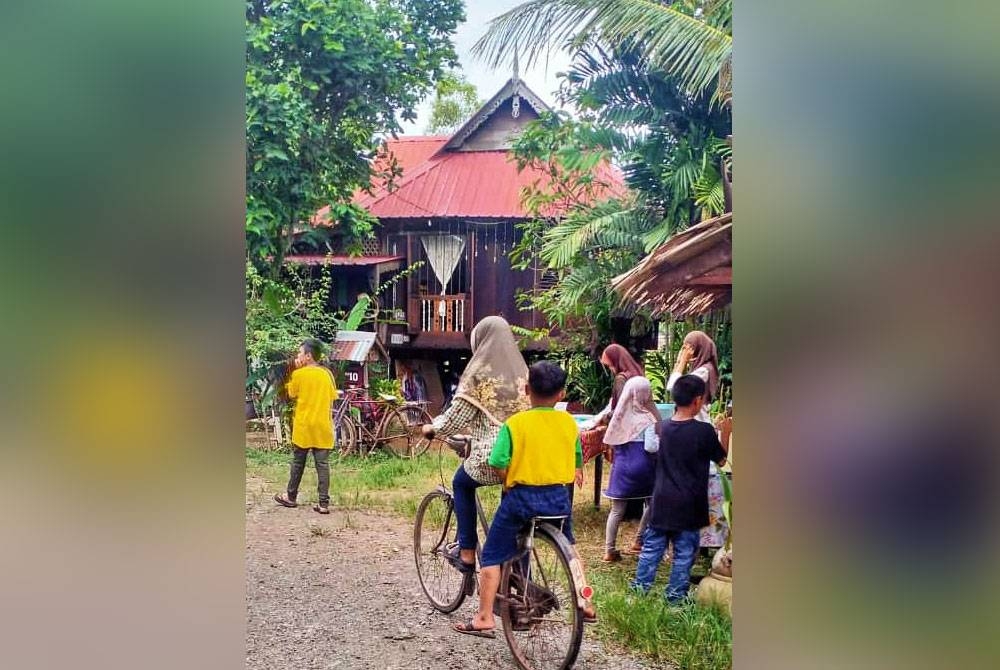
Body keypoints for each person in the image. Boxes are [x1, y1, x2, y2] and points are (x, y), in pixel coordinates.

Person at [453, 361, 594, 638]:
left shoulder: (515, 424)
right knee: (572, 549)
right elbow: (577, 459)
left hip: (521, 499)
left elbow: (497, 462)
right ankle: (586, 600)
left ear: (527, 390)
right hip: (558, 498)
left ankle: (483, 618)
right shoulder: (568, 423)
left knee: (492, 554)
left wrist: (508, 478)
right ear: (561, 394)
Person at [421, 316, 530, 574]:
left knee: (461, 483)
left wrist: (432, 428)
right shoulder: (522, 371)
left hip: (495, 456)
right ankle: (522, 577)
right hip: (526, 454)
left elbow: (456, 417)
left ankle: (467, 552)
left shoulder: (479, 372)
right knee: (514, 516)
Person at [631, 375, 727, 604]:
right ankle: (675, 599)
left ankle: (638, 593)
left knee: (651, 550)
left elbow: (652, 450)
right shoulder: (704, 431)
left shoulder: (662, 428)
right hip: (689, 505)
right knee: (684, 555)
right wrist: (728, 432)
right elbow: (722, 460)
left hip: (662, 502)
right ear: (697, 401)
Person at [668, 330, 728, 548]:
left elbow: (674, 389)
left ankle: (694, 543)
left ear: (700, 349)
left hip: (695, 431)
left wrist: (681, 363)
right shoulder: (703, 368)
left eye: (689, 347)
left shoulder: (703, 370)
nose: (686, 351)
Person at [273, 338, 339, 514]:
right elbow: (333, 396)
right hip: (323, 426)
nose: (298, 356)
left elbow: (291, 393)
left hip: (304, 426)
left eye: (300, 353)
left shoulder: (299, 374)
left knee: (298, 463)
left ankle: (291, 497)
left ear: (308, 356)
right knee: (323, 466)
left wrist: (294, 370)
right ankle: (323, 504)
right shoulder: (327, 375)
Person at [602, 376, 660, 562]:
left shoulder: (619, 416)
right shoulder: (647, 418)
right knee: (651, 504)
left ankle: (609, 550)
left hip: (622, 468)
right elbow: (651, 446)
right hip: (644, 468)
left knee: (617, 511)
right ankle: (639, 540)